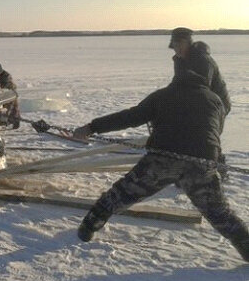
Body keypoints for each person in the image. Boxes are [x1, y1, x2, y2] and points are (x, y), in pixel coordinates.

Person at [72, 68, 248, 262]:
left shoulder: (163, 95)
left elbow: (130, 117)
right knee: (219, 212)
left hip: (162, 159)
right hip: (202, 162)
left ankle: (88, 227)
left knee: (122, 193)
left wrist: (91, 127)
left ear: (176, 81)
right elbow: (213, 133)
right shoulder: (215, 101)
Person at [169, 27, 231, 179]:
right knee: (191, 136)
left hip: (216, 105)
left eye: (180, 44)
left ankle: (220, 173)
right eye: (174, 45)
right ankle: (189, 171)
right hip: (198, 103)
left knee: (208, 138)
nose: (177, 48)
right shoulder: (180, 60)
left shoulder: (202, 60)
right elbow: (179, 83)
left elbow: (201, 87)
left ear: (187, 43)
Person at [0, 62, 20, 129]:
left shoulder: (6, 77)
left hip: (10, 94)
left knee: (13, 108)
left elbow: (5, 88)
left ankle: (16, 120)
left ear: (0, 72)